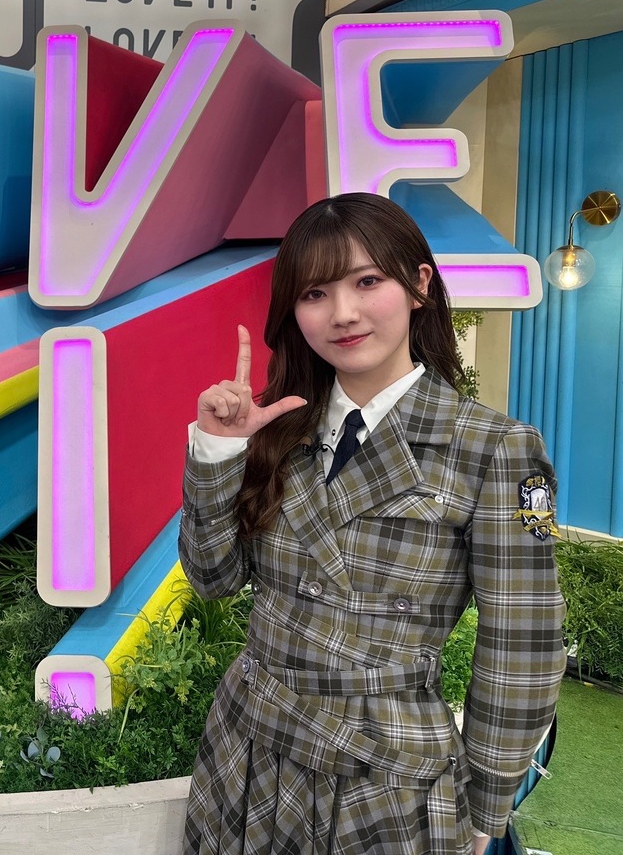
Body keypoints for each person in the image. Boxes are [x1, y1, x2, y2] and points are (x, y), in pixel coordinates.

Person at [178, 193, 565, 855]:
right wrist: (218, 450)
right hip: (247, 746)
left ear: (419, 285)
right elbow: (212, 580)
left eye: (366, 281)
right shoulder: (279, 426)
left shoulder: (495, 447)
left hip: (383, 774)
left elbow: (522, 642)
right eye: (315, 293)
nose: (343, 313)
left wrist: (487, 808)